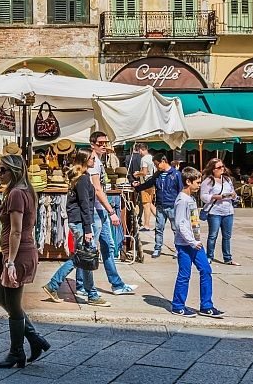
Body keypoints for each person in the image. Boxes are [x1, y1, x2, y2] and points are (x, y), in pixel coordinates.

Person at [0, 153, 49, 369]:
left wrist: (10, 262)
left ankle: (17, 352)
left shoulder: (16, 193)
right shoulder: (26, 190)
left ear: (13, 172)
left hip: (18, 254)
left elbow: (16, 231)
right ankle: (34, 339)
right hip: (20, 252)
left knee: (13, 306)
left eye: (2, 170)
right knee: (1, 296)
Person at [43, 152, 108, 306]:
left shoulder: (78, 177)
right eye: (92, 158)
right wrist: (88, 229)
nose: (94, 160)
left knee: (84, 257)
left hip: (77, 221)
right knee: (81, 257)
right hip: (81, 223)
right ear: (86, 160)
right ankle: (54, 285)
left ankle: (90, 294)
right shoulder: (84, 179)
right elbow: (85, 205)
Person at [85, 130, 136, 294]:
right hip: (96, 211)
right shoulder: (92, 162)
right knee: (89, 251)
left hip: (100, 211)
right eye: (100, 143)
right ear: (92, 144)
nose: (104, 146)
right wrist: (111, 211)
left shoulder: (99, 161)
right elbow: (97, 190)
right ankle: (79, 286)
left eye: (105, 143)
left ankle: (117, 284)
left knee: (108, 246)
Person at [171, 166, 224, 318]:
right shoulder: (182, 200)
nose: (199, 185)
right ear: (188, 181)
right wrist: (191, 241)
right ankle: (178, 305)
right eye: (197, 182)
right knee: (184, 274)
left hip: (195, 242)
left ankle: (206, 305)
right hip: (185, 244)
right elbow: (180, 223)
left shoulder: (191, 198)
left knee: (206, 270)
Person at [135, 155, 183, 258]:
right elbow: (148, 184)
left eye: (157, 164)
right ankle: (157, 248)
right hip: (160, 205)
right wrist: (137, 188)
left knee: (176, 229)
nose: (157, 167)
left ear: (163, 161)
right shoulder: (158, 175)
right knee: (158, 228)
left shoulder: (176, 174)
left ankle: (178, 249)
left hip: (172, 205)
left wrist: (180, 205)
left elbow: (181, 190)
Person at [200, 157, 239, 265]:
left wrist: (234, 196)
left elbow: (232, 192)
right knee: (213, 235)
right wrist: (215, 197)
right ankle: (209, 256)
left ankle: (227, 258)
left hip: (228, 211)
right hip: (215, 212)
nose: (222, 168)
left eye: (223, 166)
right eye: (219, 167)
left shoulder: (227, 179)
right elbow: (203, 196)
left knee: (227, 236)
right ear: (213, 169)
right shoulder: (208, 181)